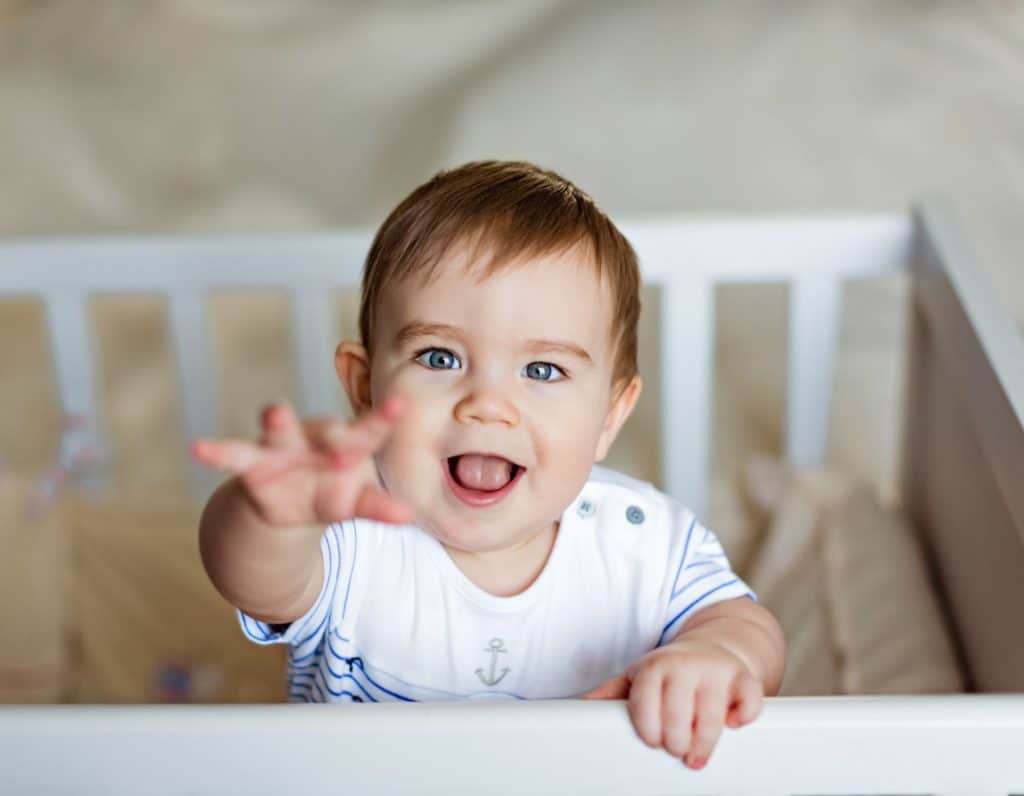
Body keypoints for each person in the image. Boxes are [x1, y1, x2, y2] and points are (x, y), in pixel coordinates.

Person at [194, 160, 785, 770]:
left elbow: (745, 622)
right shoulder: (349, 532)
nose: (488, 406)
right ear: (365, 388)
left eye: (542, 370)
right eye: (441, 357)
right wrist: (270, 515)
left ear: (610, 416)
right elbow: (253, 578)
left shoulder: (643, 540)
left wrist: (718, 655)